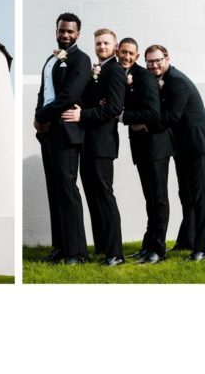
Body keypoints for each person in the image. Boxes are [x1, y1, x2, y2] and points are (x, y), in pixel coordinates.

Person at [146, 45, 205, 262]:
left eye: (158, 60)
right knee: (185, 195)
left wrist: (143, 124)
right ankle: (187, 239)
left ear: (167, 58)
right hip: (181, 146)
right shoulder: (162, 80)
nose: (154, 65)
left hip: (198, 145)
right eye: (149, 62)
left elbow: (171, 117)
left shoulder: (177, 80)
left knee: (200, 197)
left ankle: (202, 248)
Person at [63, 28, 125, 267]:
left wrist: (83, 114)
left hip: (102, 145)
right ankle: (102, 247)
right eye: (98, 43)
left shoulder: (115, 71)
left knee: (104, 197)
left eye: (106, 43)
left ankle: (115, 253)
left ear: (115, 46)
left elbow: (114, 108)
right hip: (87, 144)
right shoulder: (96, 70)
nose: (101, 47)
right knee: (93, 198)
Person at [34, 12, 92, 265]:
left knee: (68, 190)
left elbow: (70, 95)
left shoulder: (82, 59)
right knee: (54, 191)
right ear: (56, 31)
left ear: (78, 33)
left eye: (70, 31)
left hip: (66, 131)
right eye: (61, 30)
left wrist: (44, 115)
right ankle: (60, 246)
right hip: (48, 131)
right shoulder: (50, 59)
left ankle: (77, 251)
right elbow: (44, 92)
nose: (65, 35)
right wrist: (38, 117)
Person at [117, 38, 173, 265]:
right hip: (140, 147)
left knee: (158, 199)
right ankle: (148, 245)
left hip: (156, 146)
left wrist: (123, 117)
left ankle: (158, 250)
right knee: (150, 199)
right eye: (122, 52)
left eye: (130, 52)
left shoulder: (145, 76)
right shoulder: (127, 75)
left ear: (136, 55)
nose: (126, 56)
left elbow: (152, 112)